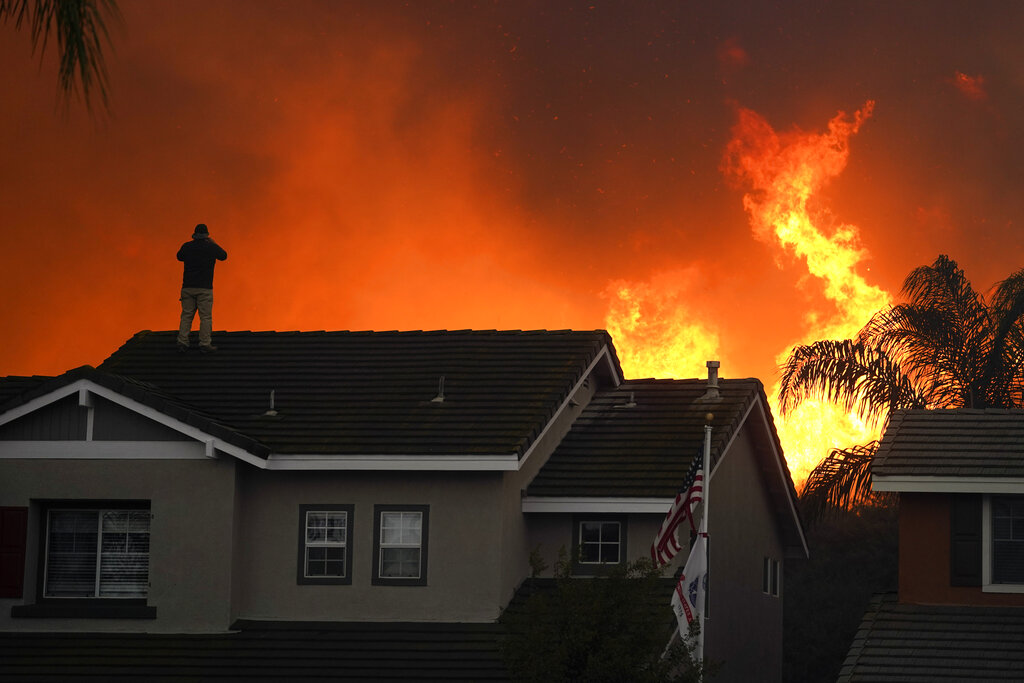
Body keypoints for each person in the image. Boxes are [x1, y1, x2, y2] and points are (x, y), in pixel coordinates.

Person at [176, 223, 227, 353]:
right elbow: (224, 256)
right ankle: (204, 343)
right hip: (204, 288)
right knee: (205, 317)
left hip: (187, 287)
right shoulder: (211, 247)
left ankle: (182, 342)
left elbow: (179, 256)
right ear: (206, 235)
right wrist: (213, 243)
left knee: (186, 315)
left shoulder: (187, 246)